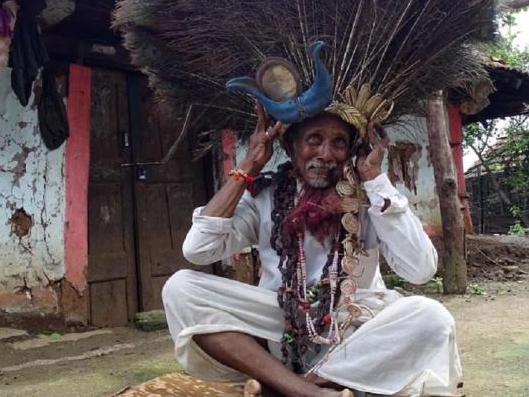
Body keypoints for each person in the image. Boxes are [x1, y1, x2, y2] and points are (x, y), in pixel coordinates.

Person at [162, 102, 463, 397]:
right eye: (314, 140)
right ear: (291, 147)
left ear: (352, 151)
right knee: (180, 288)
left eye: (339, 143)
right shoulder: (264, 197)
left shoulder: (370, 198)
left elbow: (421, 269)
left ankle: (301, 383)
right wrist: (249, 164)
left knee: (433, 316)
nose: (325, 154)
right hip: (281, 320)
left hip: (354, 330)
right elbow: (198, 249)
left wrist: (374, 178)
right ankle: (303, 390)